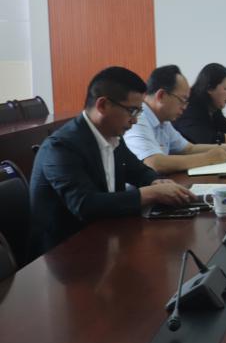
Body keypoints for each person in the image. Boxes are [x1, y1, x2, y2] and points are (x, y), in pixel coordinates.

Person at [28, 67, 194, 258]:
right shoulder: (61, 147)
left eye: (139, 111)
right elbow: (85, 205)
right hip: (62, 255)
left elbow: (138, 170)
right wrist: (151, 193)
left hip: (105, 238)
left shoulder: (112, 135)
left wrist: (156, 181)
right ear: (103, 105)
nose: (134, 120)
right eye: (131, 111)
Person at [124, 65, 226, 174]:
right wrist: (208, 158)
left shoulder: (163, 120)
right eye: (182, 100)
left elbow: (188, 149)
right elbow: (154, 163)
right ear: (161, 96)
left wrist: (223, 147)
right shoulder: (138, 118)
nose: (185, 107)